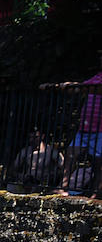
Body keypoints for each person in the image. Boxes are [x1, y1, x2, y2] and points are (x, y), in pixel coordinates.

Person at [43, 53, 102, 197]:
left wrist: (72, 85)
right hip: (84, 128)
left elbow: (88, 88)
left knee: (99, 163)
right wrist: (56, 87)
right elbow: (78, 88)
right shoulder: (97, 76)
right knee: (70, 155)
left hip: (100, 129)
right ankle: (64, 188)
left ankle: (96, 193)